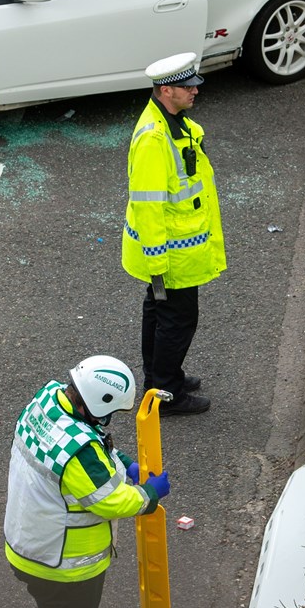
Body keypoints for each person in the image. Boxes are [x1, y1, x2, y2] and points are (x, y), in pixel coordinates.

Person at [4, 354, 171, 608]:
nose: (108, 421)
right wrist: (148, 495)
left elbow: (92, 447)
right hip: (60, 566)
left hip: (32, 544)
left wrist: (123, 462)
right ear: (95, 402)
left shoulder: (48, 401)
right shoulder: (79, 453)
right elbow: (110, 500)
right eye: (108, 412)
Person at [122, 52, 226, 415]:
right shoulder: (153, 139)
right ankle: (166, 394)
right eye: (188, 87)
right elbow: (148, 205)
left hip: (172, 251)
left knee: (159, 313)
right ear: (167, 91)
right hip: (169, 255)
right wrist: (158, 262)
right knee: (178, 320)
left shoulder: (172, 122)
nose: (195, 92)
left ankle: (159, 378)